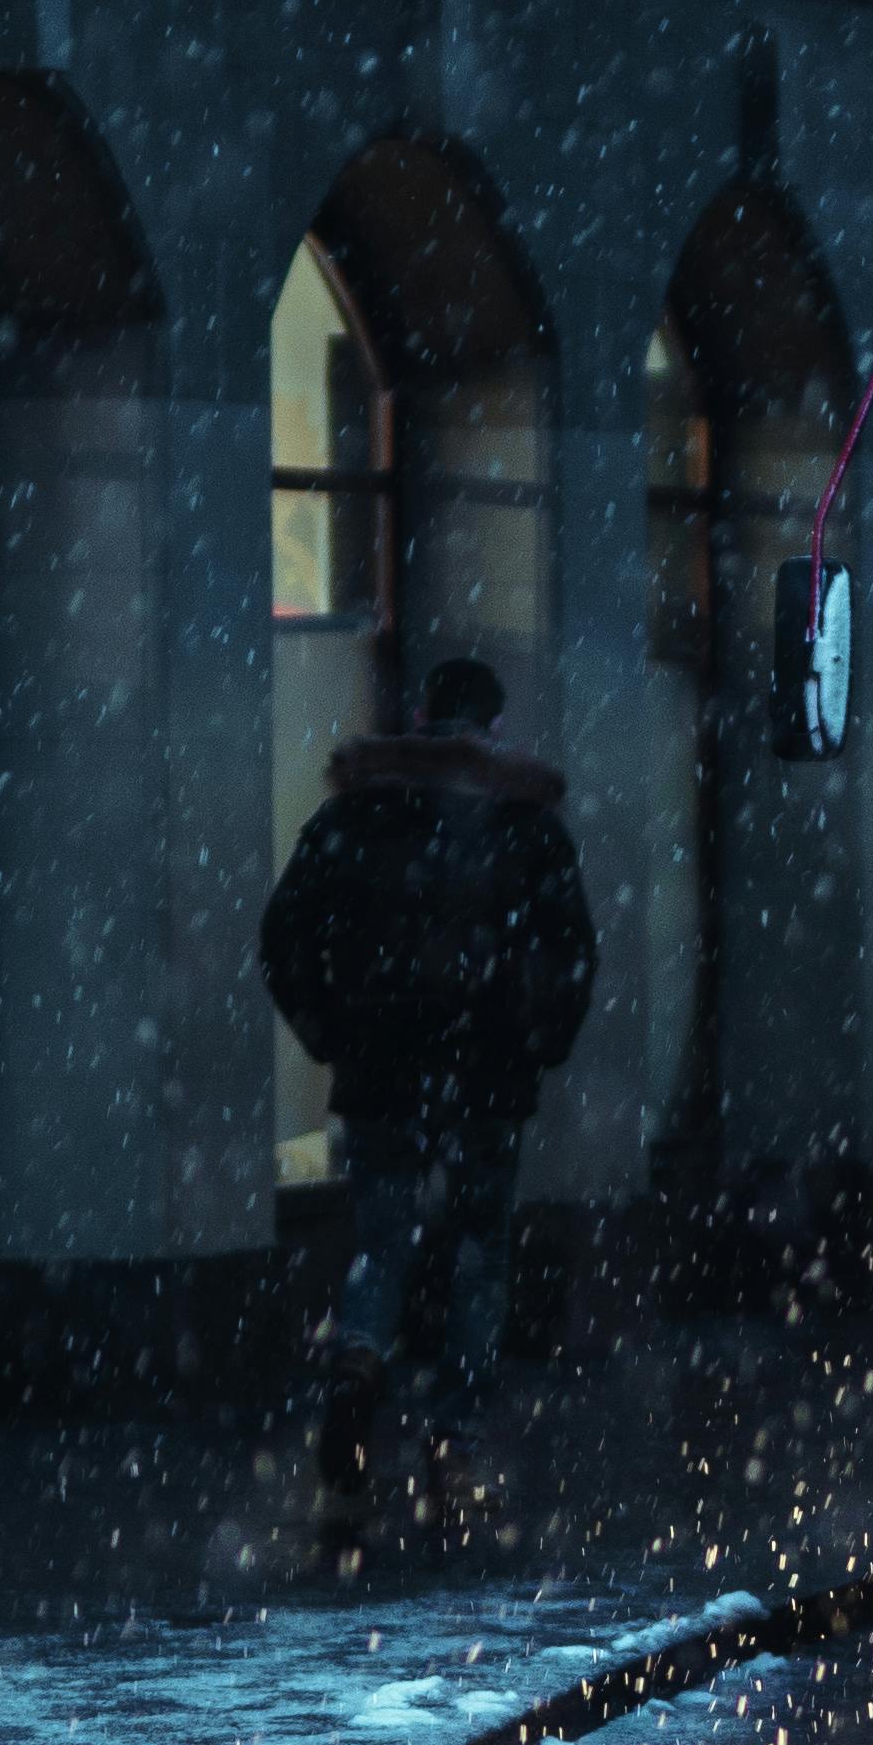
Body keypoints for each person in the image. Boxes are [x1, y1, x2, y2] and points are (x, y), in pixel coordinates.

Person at [260, 652, 596, 1557]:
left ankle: (359, 1370)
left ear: (418, 713)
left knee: (382, 1238)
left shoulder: (353, 818)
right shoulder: (526, 827)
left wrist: (334, 1032)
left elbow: (285, 934)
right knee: (480, 1250)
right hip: (487, 1076)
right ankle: (457, 1448)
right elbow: (571, 948)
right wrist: (536, 1040)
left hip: (381, 1072)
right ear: (490, 722)